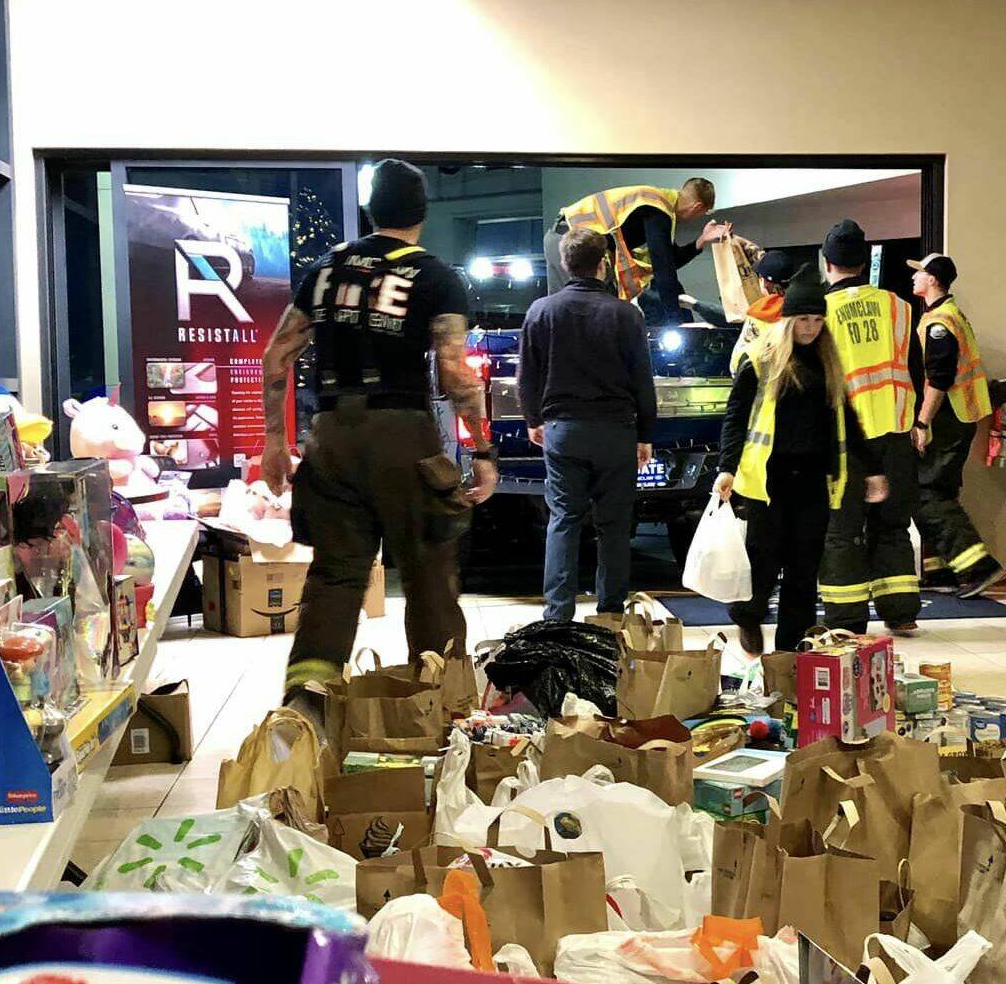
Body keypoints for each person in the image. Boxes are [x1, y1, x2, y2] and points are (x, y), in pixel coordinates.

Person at [259, 159, 497, 710]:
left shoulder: (324, 269)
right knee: (428, 571)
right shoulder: (435, 276)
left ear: (371, 208)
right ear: (422, 213)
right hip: (402, 435)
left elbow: (278, 357)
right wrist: (482, 448)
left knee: (337, 578)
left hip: (332, 434)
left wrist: (275, 440)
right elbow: (456, 371)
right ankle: (441, 708)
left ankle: (305, 710)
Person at [715, 268, 874, 656]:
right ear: (787, 320)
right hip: (769, 480)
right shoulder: (760, 360)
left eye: (818, 320)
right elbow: (736, 418)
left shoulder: (828, 363)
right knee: (764, 561)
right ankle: (749, 616)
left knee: (804, 569)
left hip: (814, 479)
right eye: (803, 319)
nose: (811, 327)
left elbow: (847, 419)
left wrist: (873, 467)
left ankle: (790, 653)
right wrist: (727, 467)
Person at [518, 228, 658, 622]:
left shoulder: (541, 311)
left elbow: (527, 376)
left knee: (563, 519)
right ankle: (610, 614)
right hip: (616, 432)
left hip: (563, 431)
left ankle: (557, 616)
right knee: (614, 526)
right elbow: (641, 380)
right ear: (604, 263)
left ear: (564, 264)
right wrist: (646, 434)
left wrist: (534, 419)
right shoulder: (626, 314)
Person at [818, 219, 920, 636]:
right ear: (864, 262)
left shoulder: (821, 312)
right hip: (895, 429)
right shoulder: (900, 306)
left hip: (847, 437)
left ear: (828, 264)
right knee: (892, 524)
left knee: (841, 531)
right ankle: (901, 611)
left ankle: (846, 620)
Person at [908, 253, 1006, 596]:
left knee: (925, 491)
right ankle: (941, 571)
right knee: (938, 491)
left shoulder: (939, 323)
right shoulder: (948, 315)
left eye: (919, 273)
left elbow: (939, 379)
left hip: (949, 415)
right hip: (961, 414)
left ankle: (979, 567)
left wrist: (921, 422)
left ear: (933, 279)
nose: (914, 279)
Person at [544, 178, 732, 325]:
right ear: (697, 207)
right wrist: (676, 321)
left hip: (559, 237)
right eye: (702, 213)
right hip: (571, 241)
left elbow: (669, 260)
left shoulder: (659, 204)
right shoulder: (658, 209)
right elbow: (663, 269)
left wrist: (701, 241)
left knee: (565, 312)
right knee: (577, 311)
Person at [728, 249, 790, 377]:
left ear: (763, 281)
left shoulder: (758, 313)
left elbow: (739, 360)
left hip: (758, 385)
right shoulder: (800, 311)